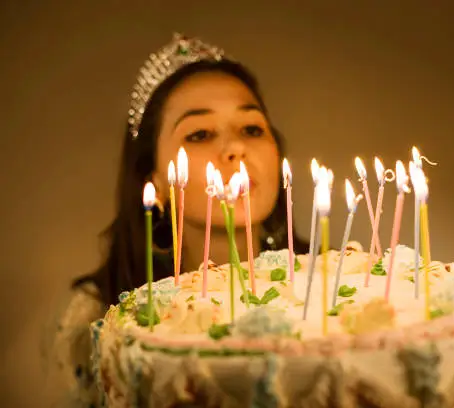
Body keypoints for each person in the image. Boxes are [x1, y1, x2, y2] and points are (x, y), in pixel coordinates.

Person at [48, 33, 308, 406]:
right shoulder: (94, 316)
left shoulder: (331, 286)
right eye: (199, 134)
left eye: (252, 128)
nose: (236, 148)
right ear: (152, 178)